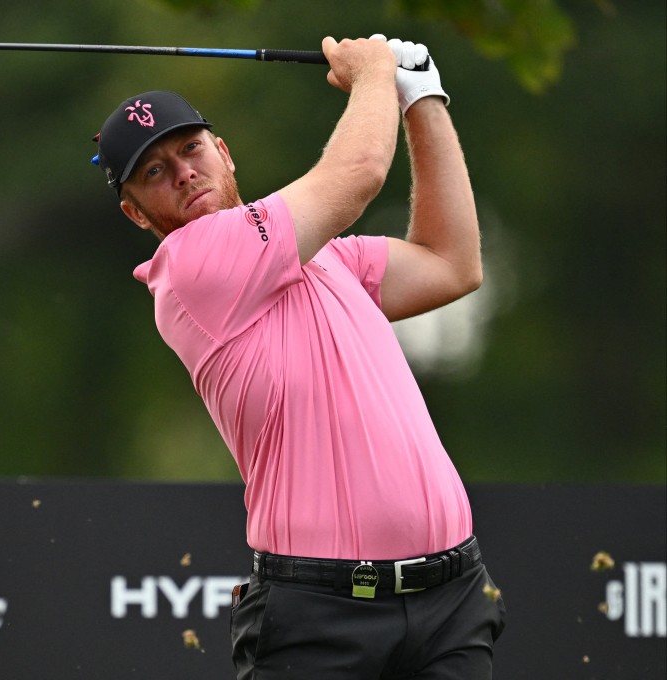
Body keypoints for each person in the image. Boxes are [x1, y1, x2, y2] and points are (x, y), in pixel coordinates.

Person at [92, 34, 506, 679]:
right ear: (135, 213)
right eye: (154, 173)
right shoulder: (192, 267)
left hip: (451, 598)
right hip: (321, 615)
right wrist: (375, 74)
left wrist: (422, 97)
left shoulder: (331, 258)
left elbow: (453, 264)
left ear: (223, 152)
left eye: (191, 149)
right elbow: (358, 176)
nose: (183, 173)